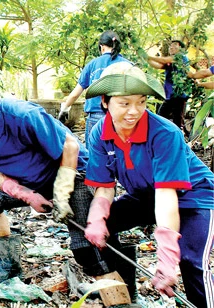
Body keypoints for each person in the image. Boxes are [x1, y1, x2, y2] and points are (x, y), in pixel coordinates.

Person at [0, 74, 140, 307]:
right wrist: (22, 193)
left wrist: (62, 194)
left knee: (88, 248)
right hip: (28, 182)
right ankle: (8, 268)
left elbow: (70, 147)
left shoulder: (23, 115)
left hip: (73, 174)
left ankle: (122, 300)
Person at [83, 62, 214, 308]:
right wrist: (97, 218)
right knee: (103, 227)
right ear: (104, 101)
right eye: (125, 103)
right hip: (147, 195)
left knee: (190, 260)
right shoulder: (99, 133)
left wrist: (166, 257)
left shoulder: (164, 133)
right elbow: (104, 186)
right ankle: (125, 293)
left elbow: (167, 196)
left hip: (194, 196)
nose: (134, 111)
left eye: (141, 102)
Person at [58, 30, 130, 148]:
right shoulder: (127, 65)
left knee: (93, 154)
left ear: (101, 47)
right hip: (120, 116)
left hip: (96, 116)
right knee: (120, 152)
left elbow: (75, 94)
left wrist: (64, 109)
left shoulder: (92, 65)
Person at [145, 40, 190, 131]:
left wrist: (148, 56)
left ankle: (180, 138)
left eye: (174, 45)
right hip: (170, 95)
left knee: (176, 118)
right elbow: (158, 65)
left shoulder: (181, 57)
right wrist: (145, 58)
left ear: (181, 49)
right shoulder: (170, 61)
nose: (171, 47)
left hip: (179, 95)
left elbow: (163, 60)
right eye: (170, 46)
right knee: (162, 115)